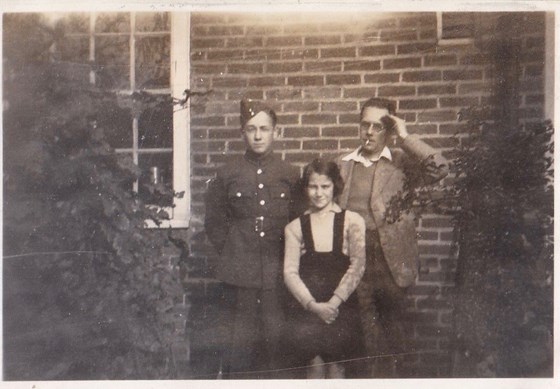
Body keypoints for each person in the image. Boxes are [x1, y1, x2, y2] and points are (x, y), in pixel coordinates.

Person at [335, 97, 449, 377]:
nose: (370, 132)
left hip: (391, 262)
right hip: (354, 260)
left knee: (395, 338)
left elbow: (439, 168)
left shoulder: (402, 163)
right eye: (365, 125)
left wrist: (405, 137)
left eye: (378, 126)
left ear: (388, 129)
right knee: (360, 338)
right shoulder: (344, 164)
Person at [204, 99, 300, 379]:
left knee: (276, 341)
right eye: (251, 129)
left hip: (277, 269)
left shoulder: (290, 174)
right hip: (239, 272)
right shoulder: (227, 174)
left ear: (276, 133)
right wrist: (235, 251)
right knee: (240, 344)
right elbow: (214, 223)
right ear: (242, 133)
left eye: (264, 129)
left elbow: (298, 222)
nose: (258, 136)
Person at [283, 159, 366, 379]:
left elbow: (358, 265)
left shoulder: (352, 221)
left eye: (325, 186)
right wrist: (312, 306)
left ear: (335, 186)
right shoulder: (295, 227)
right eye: (313, 186)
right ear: (305, 188)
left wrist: (333, 303)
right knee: (314, 365)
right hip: (309, 306)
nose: (319, 193)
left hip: (341, 305)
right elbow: (290, 272)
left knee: (337, 366)